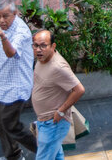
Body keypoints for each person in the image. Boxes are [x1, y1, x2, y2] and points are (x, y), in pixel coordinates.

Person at [0, 0, 36, 160]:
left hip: (16, 87)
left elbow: (11, 52)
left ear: (15, 14)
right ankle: (14, 157)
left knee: (11, 125)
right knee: (0, 125)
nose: (1, 20)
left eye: (5, 16)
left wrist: (3, 37)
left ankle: (47, 153)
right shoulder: (3, 26)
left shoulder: (21, 32)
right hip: (1, 84)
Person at [30, 30, 84, 160]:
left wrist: (61, 111)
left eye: (43, 45)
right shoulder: (41, 59)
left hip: (53, 124)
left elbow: (79, 90)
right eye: (35, 45)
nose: (38, 50)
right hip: (44, 121)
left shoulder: (58, 67)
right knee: (56, 156)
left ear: (53, 46)